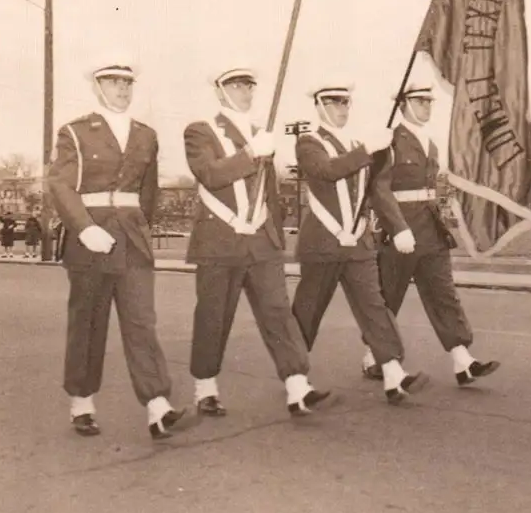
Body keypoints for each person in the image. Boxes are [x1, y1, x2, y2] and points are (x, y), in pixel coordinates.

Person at [47, 57, 186, 440]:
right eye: (112, 81)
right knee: (89, 323)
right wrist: (84, 227)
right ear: (97, 86)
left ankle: (158, 405)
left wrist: (140, 225)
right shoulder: (75, 132)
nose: (121, 89)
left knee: (142, 321)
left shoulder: (146, 134)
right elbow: (59, 184)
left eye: (127, 82)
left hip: (132, 236)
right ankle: (82, 402)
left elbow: (149, 191)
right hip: (91, 237)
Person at [184, 68, 333, 418]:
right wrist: (250, 153)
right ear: (220, 92)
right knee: (214, 316)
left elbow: (269, 193)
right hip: (220, 239)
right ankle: (205, 387)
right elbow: (210, 174)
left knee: (278, 314)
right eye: (236, 85)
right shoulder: (201, 130)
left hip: (261, 242)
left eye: (249, 85)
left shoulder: (258, 133)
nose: (246, 91)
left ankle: (297, 385)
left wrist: (274, 235)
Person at [291, 85, 428, 405]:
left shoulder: (357, 145)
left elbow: (378, 191)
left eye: (345, 102)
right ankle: (295, 379)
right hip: (323, 242)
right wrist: (368, 151)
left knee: (374, 307)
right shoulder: (309, 142)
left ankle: (393, 372)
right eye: (333, 102)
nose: (342, 108)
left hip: (358, 244)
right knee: (308, 312)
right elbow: (326, 171)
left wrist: (399, 227)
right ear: (319, 106)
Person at [361, 83, 500, 387]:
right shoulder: (389, 140)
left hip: (431, 229)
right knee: (388, 295)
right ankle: (373, 354)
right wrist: (397, 228)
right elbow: (379, 189)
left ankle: (463, 360)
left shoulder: (431, 144)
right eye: (419, 101)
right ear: (403, 104)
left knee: (443, 294)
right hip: (401, 229)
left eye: (429, 101)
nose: (427, 106)